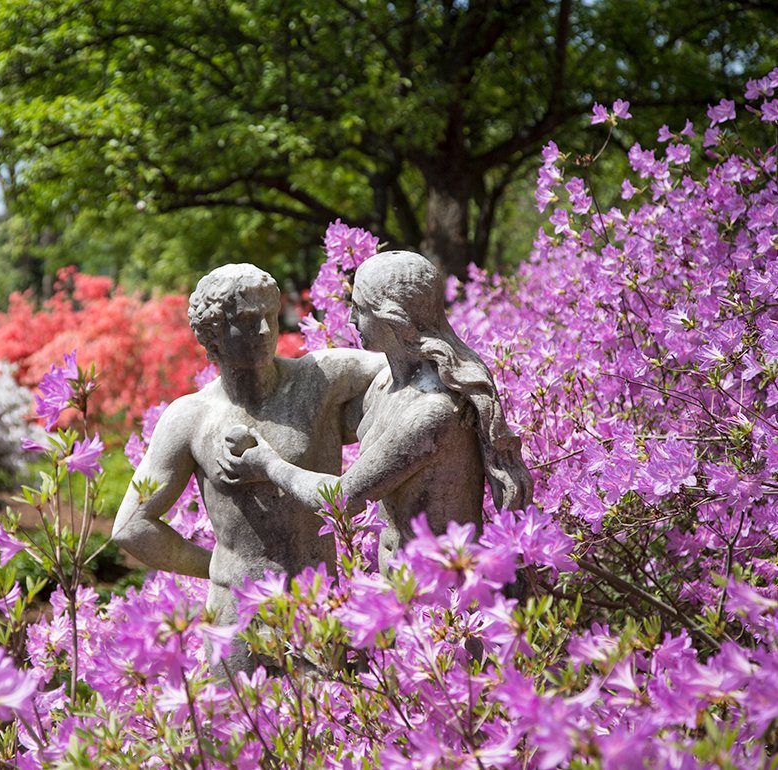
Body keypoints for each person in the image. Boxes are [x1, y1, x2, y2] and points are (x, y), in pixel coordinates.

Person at [112, 264, 384, 673]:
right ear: (213, 335)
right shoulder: (191, 417)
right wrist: (221, 569)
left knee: (324, 724)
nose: (261, 330)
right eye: (244, 320)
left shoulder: (320, 379)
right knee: (239, 731)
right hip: (236, 616)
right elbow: (131, 527)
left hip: (314, 607)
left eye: (268, 317)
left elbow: (399, 368)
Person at [219, 251, 533, 566]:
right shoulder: (386, 380)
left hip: (440, 592)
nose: (351, 320)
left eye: (359, 309)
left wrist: (268, 464)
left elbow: (341, 499)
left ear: (393, 319)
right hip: (399, 590)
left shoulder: (432, 412)